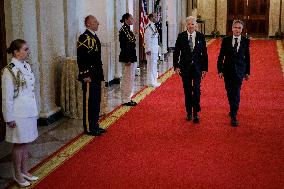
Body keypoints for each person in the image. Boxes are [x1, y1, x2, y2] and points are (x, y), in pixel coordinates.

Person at [2, 39, 39, 187]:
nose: (28, 52)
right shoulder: (9, 70)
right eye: (25, 49)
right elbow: (7, 97)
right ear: (16, 52)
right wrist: (8, 117)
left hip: (29, 110)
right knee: (19, 144)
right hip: (18, 114)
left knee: (26, 142)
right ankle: (17, 174)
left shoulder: (26, 66)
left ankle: (24, 170)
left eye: (27, 49)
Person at [173, 16, 208, 124]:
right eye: (189, 24)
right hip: (185, 68)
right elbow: (176, 52)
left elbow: (204, 54)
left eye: (193, 24)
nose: (191, 26)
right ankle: (189, 112)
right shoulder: (181, 36)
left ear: (196, 25)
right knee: (187, 91)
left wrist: (204, 69)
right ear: (186, 25)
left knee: (197, 91)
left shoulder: (201, 37)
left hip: (197, 68)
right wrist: (176, 66)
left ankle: (196, 113)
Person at [217, 20, 250, 127]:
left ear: (242, 29)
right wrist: (220, 70)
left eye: (239, 28)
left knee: (236, 92)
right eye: (235, 27)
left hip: (240, 71)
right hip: (227, 70)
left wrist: (247, 72)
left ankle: (234, 115)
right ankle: (232, 108)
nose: (237, 29)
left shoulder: (245, 41)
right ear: (232, 29)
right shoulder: (226, 40)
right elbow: (221, 56)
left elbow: (247, 58)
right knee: (229, 91)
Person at [77, 15, 106, 136]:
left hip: (96, 74)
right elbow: (81, 58)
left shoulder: (93, 36)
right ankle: (89, 127)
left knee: (96, 100)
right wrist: (85, 74)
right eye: (95, 21)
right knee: (89, 101)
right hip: (89, 75)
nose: (98, 23)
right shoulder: (84, 38)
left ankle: (95, 124)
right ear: (88, 24)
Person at [119, 13, 138, 106]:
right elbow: (124, 46)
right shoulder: (123, 30)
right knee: (127, 78)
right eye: (131, 18)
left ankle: (128, 97)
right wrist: (127, 59)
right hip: (127, 58)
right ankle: (125, 99)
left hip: (132, 57)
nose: (132, 19)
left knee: (130, 78)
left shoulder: (128, 30)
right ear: (126, 20)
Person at [145, 13, 161, 87]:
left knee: (153, 66)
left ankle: (152, 81)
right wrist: (148, 49)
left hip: (154, 49)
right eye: (155, 17)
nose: (156, 17)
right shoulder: (149, 27)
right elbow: (147, 39)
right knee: (151, 66)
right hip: (151, 50)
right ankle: (151, 82)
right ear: (151, 18)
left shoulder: (153, 26)